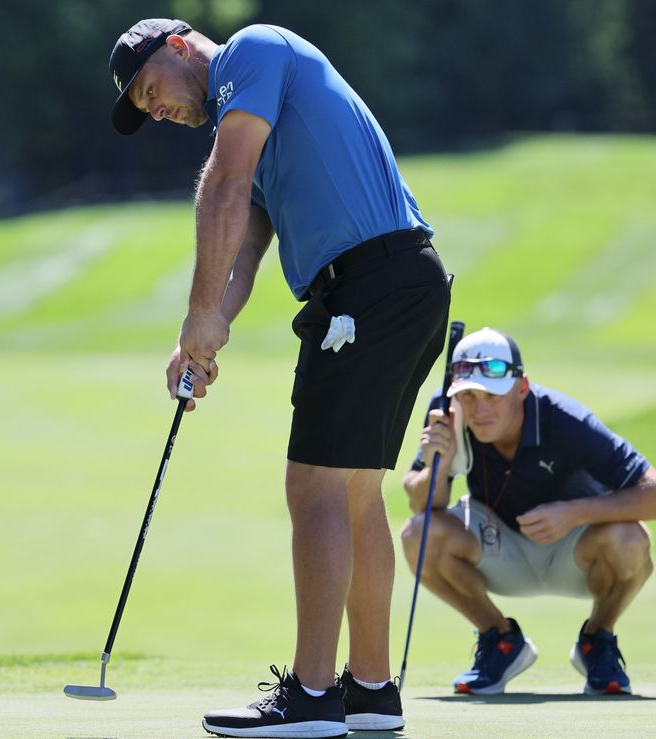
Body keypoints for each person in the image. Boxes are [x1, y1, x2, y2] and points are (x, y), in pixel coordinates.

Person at [108, 18, 450, 738]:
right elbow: (245, 248)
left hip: (372, 285)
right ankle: (370, 690)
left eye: (150, 90)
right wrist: (202, 332)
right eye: (145, 109)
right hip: (399, 284)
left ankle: (314, 696)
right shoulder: (254, 125)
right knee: (355, 492)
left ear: (177, 46)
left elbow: (224, 187)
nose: (156, 109)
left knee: (314, 484)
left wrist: (200, 312)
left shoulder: (251, 53)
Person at [400, 327, 656, 696]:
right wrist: (441, 462)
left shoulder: (563, 418)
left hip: (576, 548)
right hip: (496, 546)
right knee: (417, 534)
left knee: (630, 538)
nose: (480, 410)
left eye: (492, 395)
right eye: (469, 396)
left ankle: (598, 640)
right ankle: (500, 641)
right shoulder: (447, 415)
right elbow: (421, 505)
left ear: (522, 388)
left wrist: (574, 513)